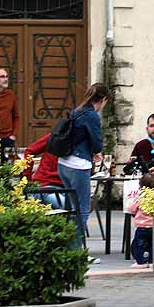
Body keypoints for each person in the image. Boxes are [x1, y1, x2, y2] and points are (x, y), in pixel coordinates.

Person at [58, 83, 110, 256]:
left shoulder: (77, 111)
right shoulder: (91, 115)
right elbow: (96, 142)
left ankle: (67, 248)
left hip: (63, 163)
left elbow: (78, 137)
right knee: (83, 209)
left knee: (71, 208)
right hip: (78, 165)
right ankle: (76, 253)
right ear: (103, 100)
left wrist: (91, 151)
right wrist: (96, 151)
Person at [125, 172, 154, 269]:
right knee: (152, 245)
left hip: (142, 226)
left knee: (139, 245)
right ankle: (152, 262)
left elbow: (131, 208)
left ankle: (140, 262)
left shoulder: (139, 197)